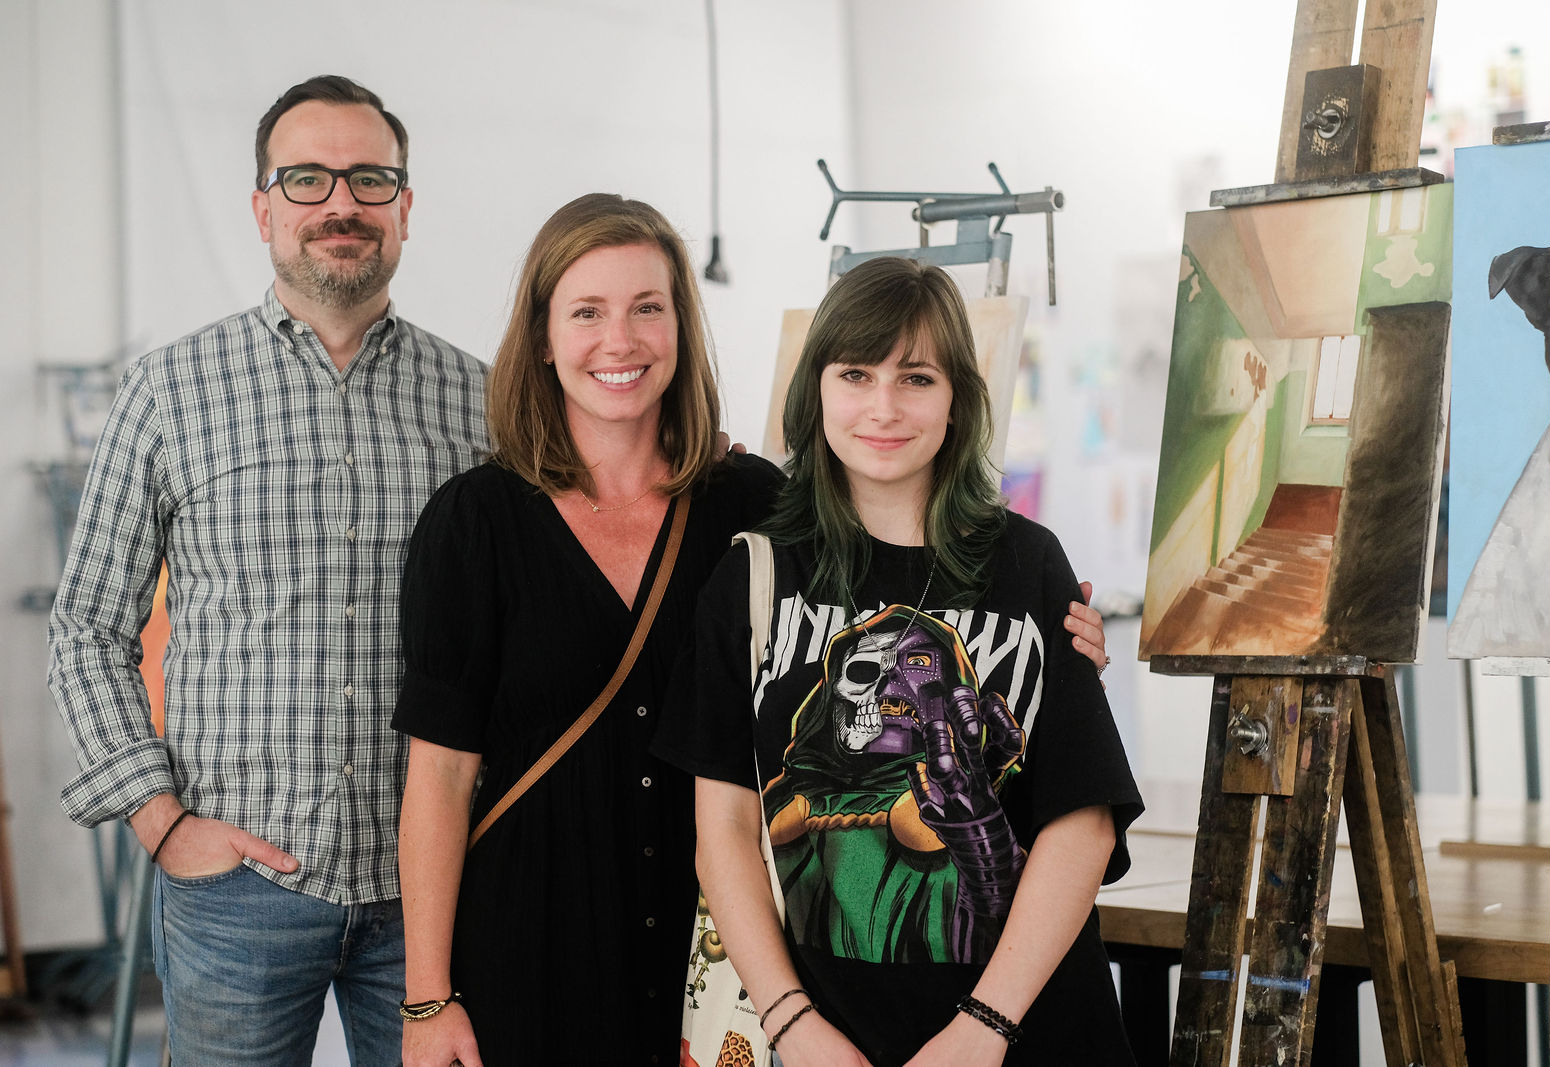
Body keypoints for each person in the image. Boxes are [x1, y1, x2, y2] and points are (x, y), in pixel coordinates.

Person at [392, 199, 1113, 1067]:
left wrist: (1065, 643)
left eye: (647, 308)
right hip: (552, 940)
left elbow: (1074, 804)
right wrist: (427, 995)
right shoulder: (482, 524)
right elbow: (441, 774)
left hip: (742, 956)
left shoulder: (751, 505)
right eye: (586, 311)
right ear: (542, 337)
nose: (619, 339)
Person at [47, 75, 487, 1066]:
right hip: (234, 893)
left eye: (371, 178)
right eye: (307, 178)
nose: (341, 203)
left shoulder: (482, 405)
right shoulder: (168, 390)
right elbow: (86, 628)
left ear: (406, 207)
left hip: (433, 894)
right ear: (262, 207)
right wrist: (161, 822)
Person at [655, 256, 1144, 1066]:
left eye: (915, 378)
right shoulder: (753, 576)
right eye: (856, 373)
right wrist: (795, 1027)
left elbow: (1081, 819)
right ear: (816, 389)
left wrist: (983, 1028)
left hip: (1024, 1035)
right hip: (823, 1042)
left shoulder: (1028, 565)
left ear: (956, 398)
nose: (883, 407)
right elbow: (726, 829)